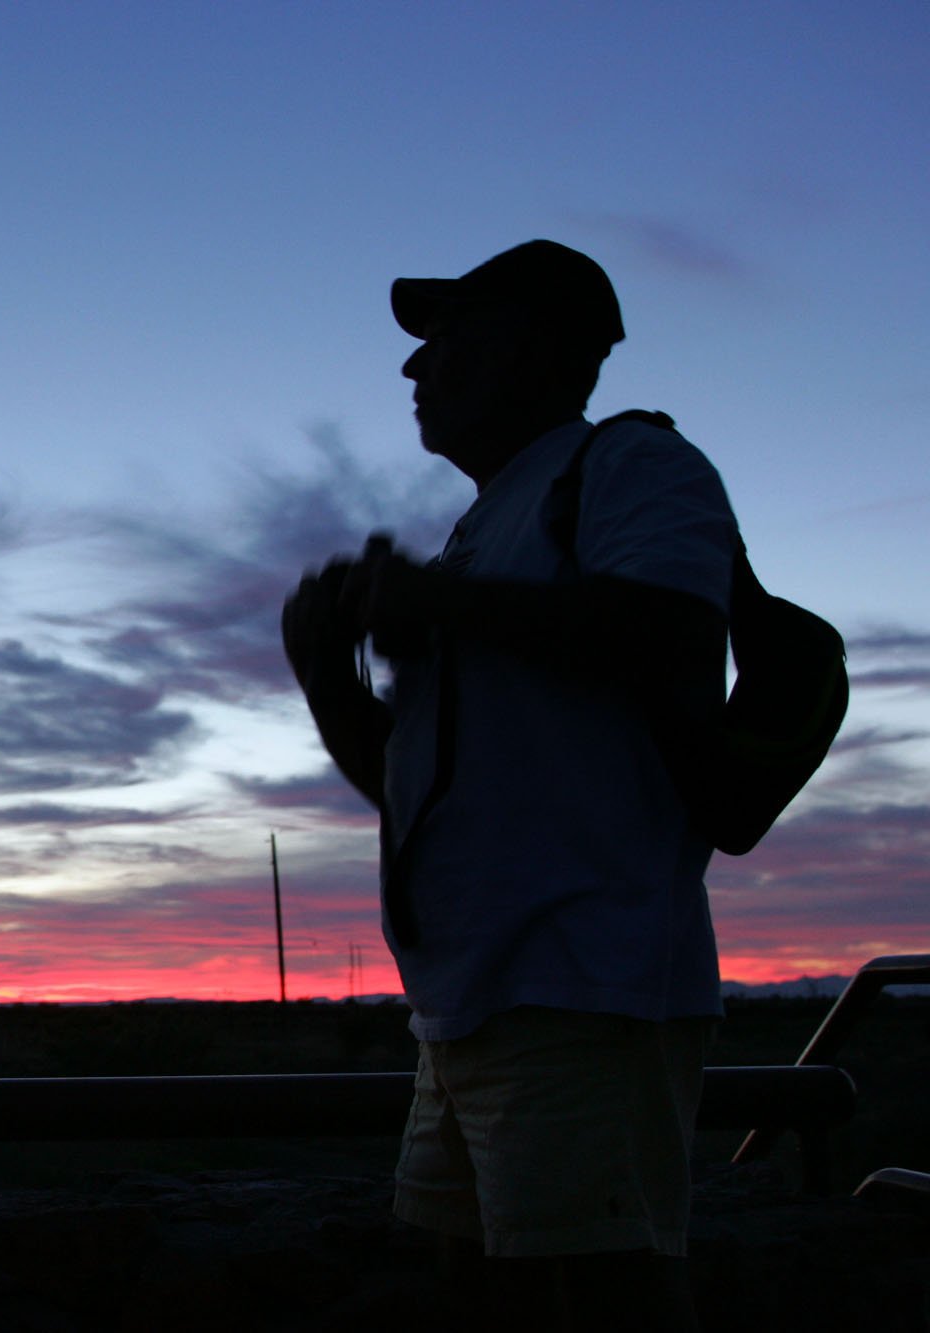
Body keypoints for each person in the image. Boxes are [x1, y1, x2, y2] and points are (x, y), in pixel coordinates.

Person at [280, 241, 734, 1331]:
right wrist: (322, 671)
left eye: (445, 340)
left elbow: (672, 632)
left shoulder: (628, 467)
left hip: (582, 981)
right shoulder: (484, 530)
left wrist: (436, 606)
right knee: (481, 1288)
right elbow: (414, 793)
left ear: (530, 352)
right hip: (470, 1002)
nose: (412, 370)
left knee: (592, 1292)